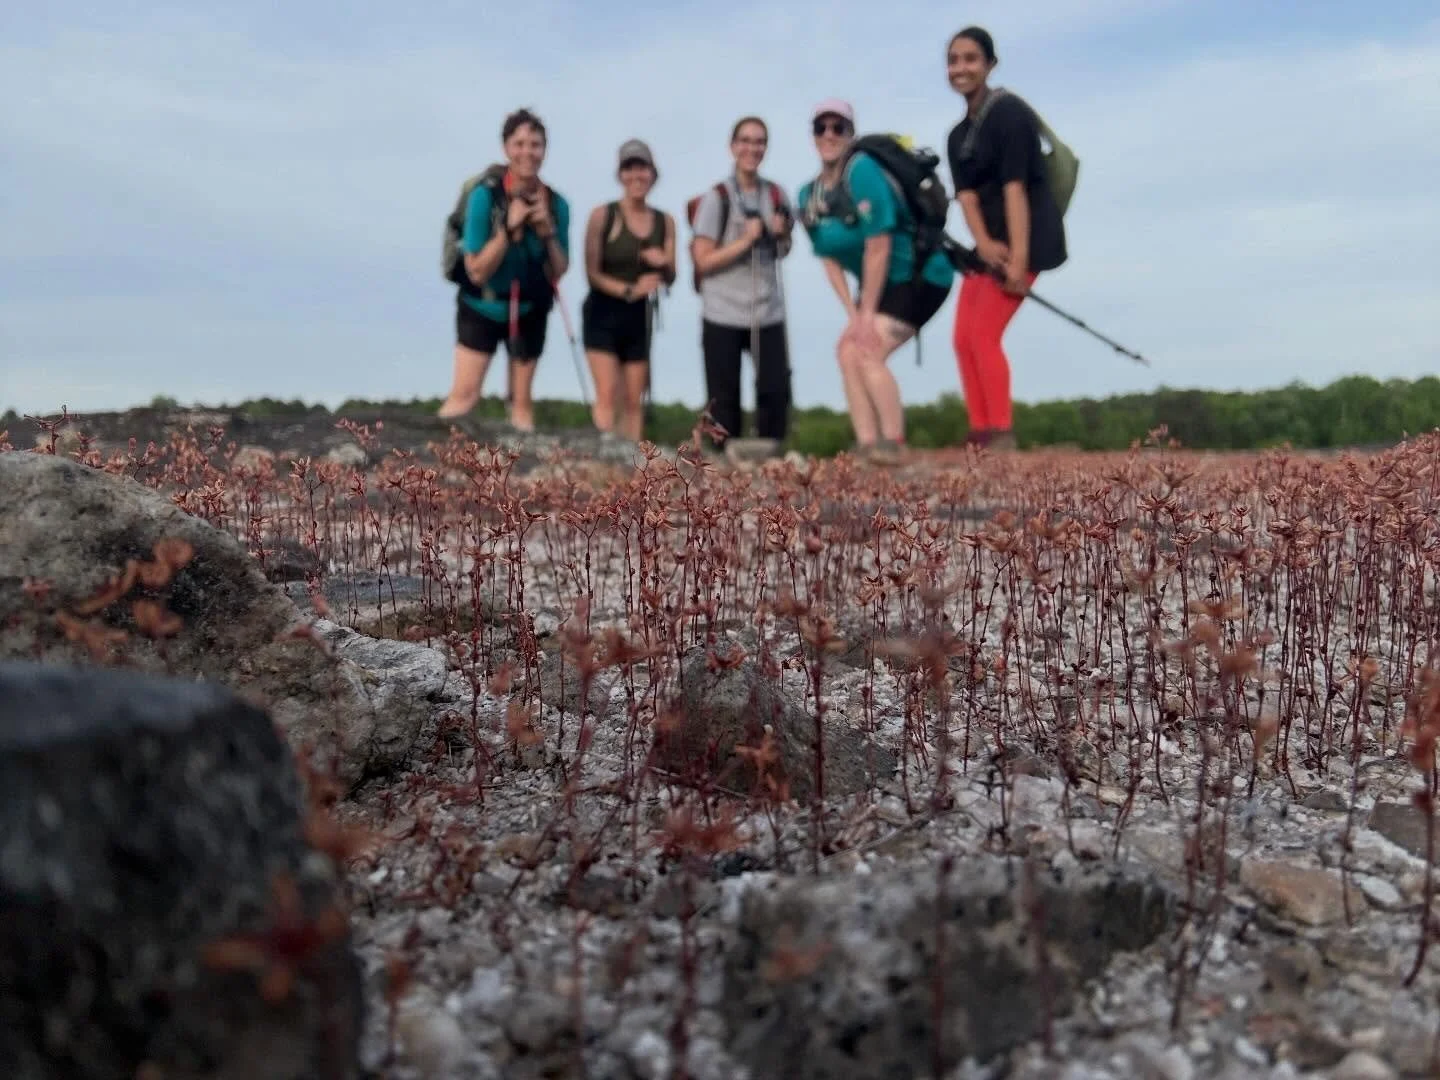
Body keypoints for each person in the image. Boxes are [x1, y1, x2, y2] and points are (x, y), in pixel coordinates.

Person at [795, 99, 955, 464]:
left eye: (840, 128)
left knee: (868, 350)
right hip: (878, 287)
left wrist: (866, 315)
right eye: (822, 127)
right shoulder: (809, 196)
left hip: (921, 276)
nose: (830, 135)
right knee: (847, 350)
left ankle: (893, 443)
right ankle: (868, 447)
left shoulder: (862, 171)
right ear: (813, 135)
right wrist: (853, 314)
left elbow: (879, 245)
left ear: (852, 134)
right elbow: (829, 258)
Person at [945, 26, 1067, 451]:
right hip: (989, 248)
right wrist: (981, 244)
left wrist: (1017, 260)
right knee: (962, 337)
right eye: (954, 60)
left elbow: (1015, 187)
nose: (961, 68)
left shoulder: (1011, 114)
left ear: (990, 64)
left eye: (970, 59)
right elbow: (967, 197)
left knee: (983, 335)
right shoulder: (957, 135)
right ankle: (979, 431)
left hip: (1026, 242)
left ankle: (1000, 432)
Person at [438, 108, 571, 432]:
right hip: (480, 305)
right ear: (506, 148)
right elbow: (476, 270)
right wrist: (508, 230)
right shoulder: (485, 196)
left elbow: (559, 270)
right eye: (520, 143)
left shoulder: (556, 204)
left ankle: (521, 476)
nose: (528, 152)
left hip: (529, 308)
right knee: (464, 396)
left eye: (535, 144)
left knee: (522, 404)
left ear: (545, 149)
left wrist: (546, 230)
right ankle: (430, 476)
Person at [690, 116, 796, 458]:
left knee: (775, 390)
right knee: (723, 398)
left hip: (767, 309)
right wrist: (744, 240)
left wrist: (780, 234)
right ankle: (722, 470)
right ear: (733, 146)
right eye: (746, 141)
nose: (753, 148)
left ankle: (771, 461)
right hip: (722, 310)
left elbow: (784, 250)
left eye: (759, 141)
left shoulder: (777, 194)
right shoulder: (716, 197)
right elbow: (702, 260)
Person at [580, 139, 676, 442]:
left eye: (643, 168)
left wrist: (663, 263)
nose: (637, 175)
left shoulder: (665, 221)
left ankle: (634, 478)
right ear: (620, 174)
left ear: (653, 173)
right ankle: (605, 464)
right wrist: (629, 290)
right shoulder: (602, 216)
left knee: (635, 401)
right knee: (608, 395)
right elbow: (592, 273)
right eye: (630, 168)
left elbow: (672, 276)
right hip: (603, 312)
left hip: (640, 317)